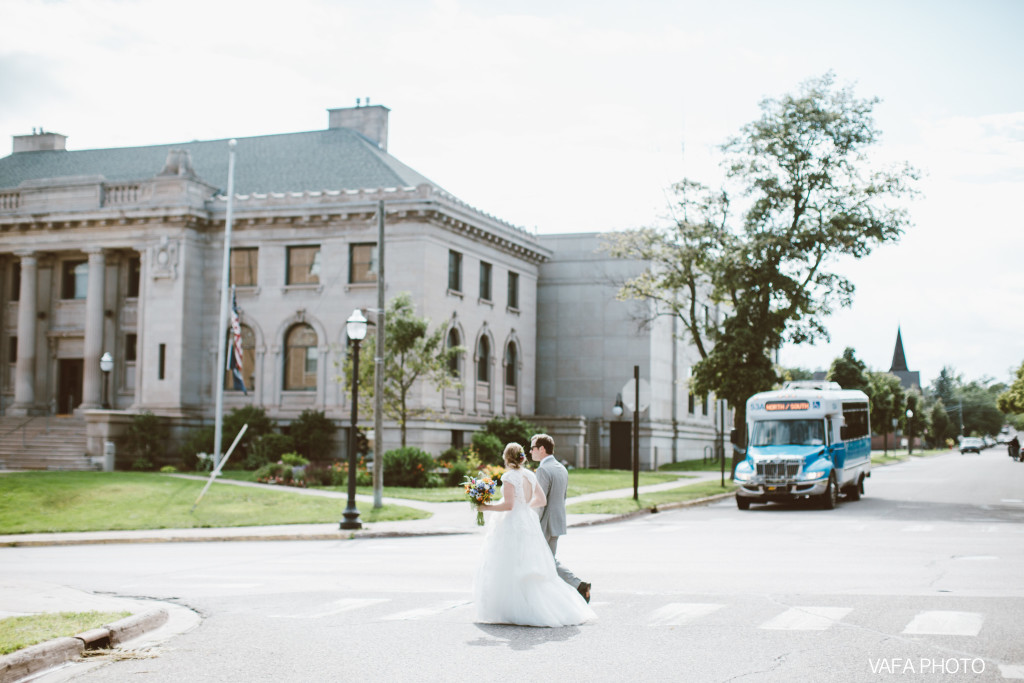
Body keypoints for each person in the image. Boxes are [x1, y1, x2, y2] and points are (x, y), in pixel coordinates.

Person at [474, 443, 596, 627]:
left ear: (506, 458)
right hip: (528, 521)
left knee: (509, 563)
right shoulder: (530, 475)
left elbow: (508, 506)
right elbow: (542, 499)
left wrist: (486, 507)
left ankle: (513, 608)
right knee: (529, 563)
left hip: (512, 523)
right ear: (522, 457)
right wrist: (526, 508)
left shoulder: (509, 477)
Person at [530, 433, 591, 603]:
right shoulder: (561, 467)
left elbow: (540, 502)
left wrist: (533, 523)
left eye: (533, 448)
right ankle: (577, 587)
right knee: (548, 560)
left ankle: (573, 588)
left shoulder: (543, 469)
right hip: (557, 521)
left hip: (545, 523)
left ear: (542, 449)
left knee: (543, 560)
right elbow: (562, 497)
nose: (530, 451)